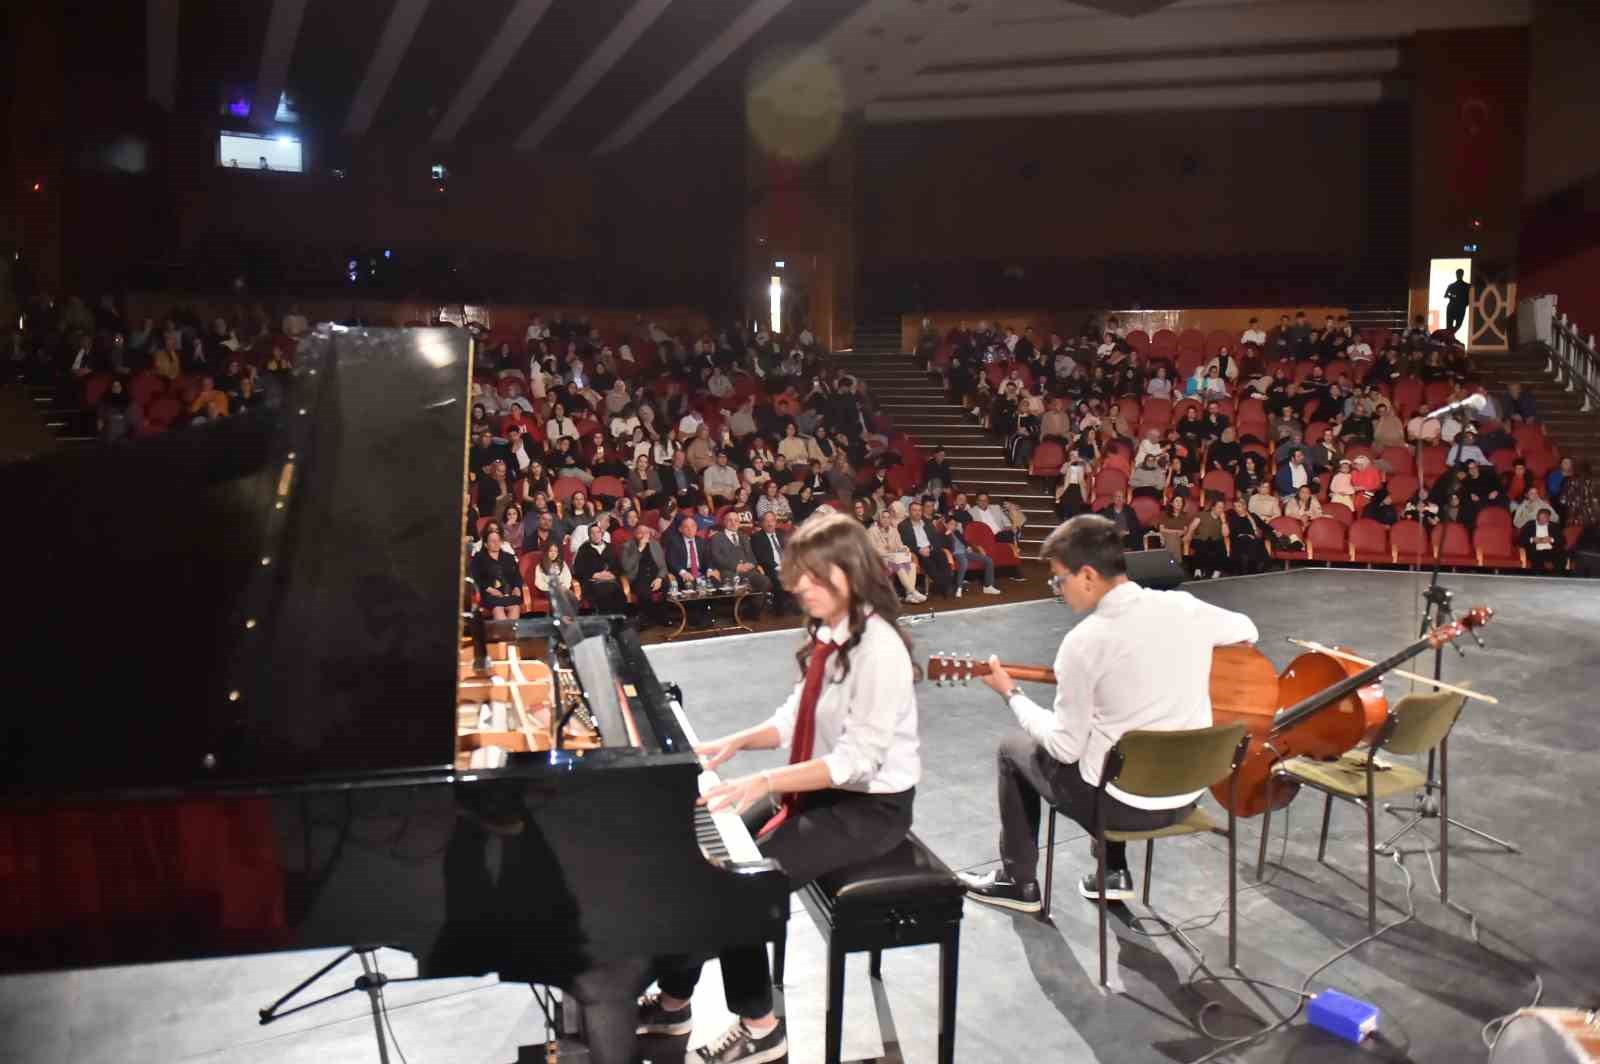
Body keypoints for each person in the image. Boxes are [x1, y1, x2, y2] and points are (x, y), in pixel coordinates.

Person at [641, 513, 921, 1063]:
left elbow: (857, 764)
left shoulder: (879, 649)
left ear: (850, 573)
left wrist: (767, 779)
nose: (801, 588)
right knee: (704, 858)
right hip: (821, 788)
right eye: (800, 577)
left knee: (739, 884)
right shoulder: (829, 633)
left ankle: (762, 1030)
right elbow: (795, 719)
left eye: (815, 577)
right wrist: (734, 743)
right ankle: (673, 1007)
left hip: (869, 809)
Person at [959, 516, 1259, 910]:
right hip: (1187, 795)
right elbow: (1248, 630)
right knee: (1115, 735)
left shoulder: (1083, 643)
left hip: (1122, 808)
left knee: (1014, 749)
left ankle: (1018, 882)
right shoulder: (1185, 607)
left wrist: (1011, 694)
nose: (1057, 591)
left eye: (1058, 580)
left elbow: (1064, 748)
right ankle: (1111, 873)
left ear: (1086, 575)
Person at [899, 499, 956, 597]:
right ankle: (945, 585)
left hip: (930, 549)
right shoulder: (903, 525)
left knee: (942, 556)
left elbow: (935, 538)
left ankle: (945, 585)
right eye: (914, 510)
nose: (917, 513)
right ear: (909, 512)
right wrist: (919, 550)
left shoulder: (927, 523)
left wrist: (931, 548)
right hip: (917, 551)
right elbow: (905, 543)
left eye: (919, 510)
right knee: (927, 562)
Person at [470, 526, 523, 620]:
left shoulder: (509, 557)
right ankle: (504, 634)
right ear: (486, 544)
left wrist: (517, 587)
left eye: (498, 540)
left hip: (508, 593)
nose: (496, 543)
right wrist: (490, 589)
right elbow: (476, 577)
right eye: (492, 541)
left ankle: (509, 634)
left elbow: (517, 575)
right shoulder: (478, 558)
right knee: (498, 608)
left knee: (515, 607)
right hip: (489, 593)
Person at [573, 523, 628, 612]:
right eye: (592, 533)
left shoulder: (611, 547)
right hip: (593, 583)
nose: (596, 535)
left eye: (598, 532)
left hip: (612, 581)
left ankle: (618, 621)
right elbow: (578, 570)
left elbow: (619, 567)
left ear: (601, 534)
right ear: (589, 535)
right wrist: (594, 575)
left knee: (618, 594)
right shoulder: (583, 549)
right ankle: (606, 621)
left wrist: (612, 574)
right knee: (603, 593)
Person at [1520, 506, 1565, 573]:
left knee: (1561, 557)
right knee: (1537, 560)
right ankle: (1539, 579)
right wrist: (1532, 539)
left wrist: (1551, 540)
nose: (1540, 521)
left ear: (1548, 518)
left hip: (1551, 550)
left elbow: (1563, 541)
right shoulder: (1529, 525)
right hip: (1535, 550)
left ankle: (1557, 578)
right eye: (1539, 519)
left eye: (1543, 519)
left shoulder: (1554, 526)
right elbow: (1520, 539)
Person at [1444, 268, 1471, 337]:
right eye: (1458, 274)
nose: (1458, 275)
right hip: (1456, 307)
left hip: (1458, 307)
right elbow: (1445, 295)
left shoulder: (1466, 286)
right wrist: (1452, 297)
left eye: (1459, 274)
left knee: (1456, 325)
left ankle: (1450, 336)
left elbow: (1446, 295)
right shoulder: (1465, 286)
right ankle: (1450, 336)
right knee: (1452, 326)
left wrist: (1452, 297)